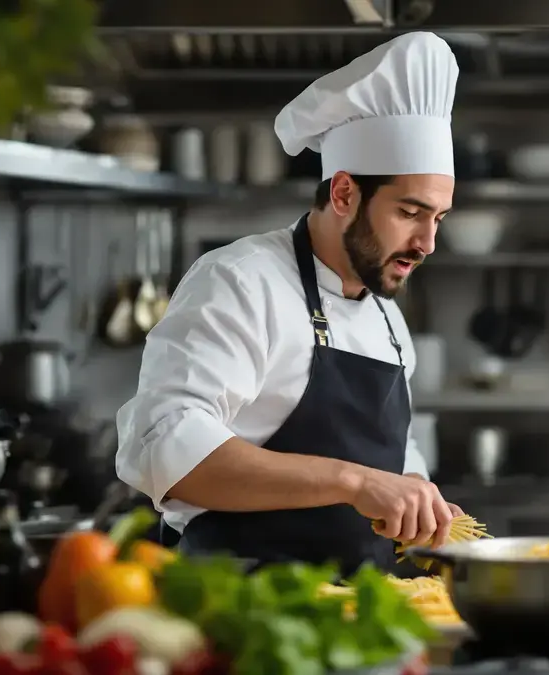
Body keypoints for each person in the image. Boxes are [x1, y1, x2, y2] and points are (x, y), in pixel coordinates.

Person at [115, 32, 463, 574]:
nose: (427, 244)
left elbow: (396, 455)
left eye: (437, 218)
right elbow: (166, 452)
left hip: (361, 608)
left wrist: (416, 496)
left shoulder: (387, 317)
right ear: (344, 193)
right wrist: (353, 481)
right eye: (410, 213)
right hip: (244, 607)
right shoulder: (240, 281)